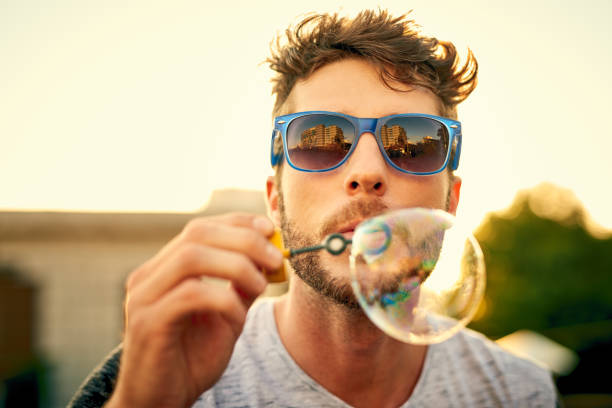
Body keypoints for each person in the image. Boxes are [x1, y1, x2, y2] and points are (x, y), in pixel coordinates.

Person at [70, 9, 558, 408]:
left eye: (412, 143)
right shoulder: (154, 375)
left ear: (450, 200)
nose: (366, 172)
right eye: (321, 139)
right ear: (275, 197)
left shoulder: (520, 393)